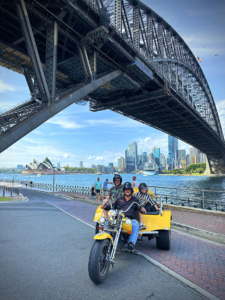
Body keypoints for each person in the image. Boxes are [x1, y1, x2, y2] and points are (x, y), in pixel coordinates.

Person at [104, 182, 146, 250]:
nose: (127, 190)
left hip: (131, 220)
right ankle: (105, 239)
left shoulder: (135, 200)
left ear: (131, 190)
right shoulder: (119, 199)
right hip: (120, 218)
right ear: (124, 190)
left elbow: (139, 207)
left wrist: (142, 209)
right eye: (126, 189)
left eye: (129, 189)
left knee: (135, 224)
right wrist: (106, 206)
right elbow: (113, 206)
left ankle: (131, 243)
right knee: (109, 220)